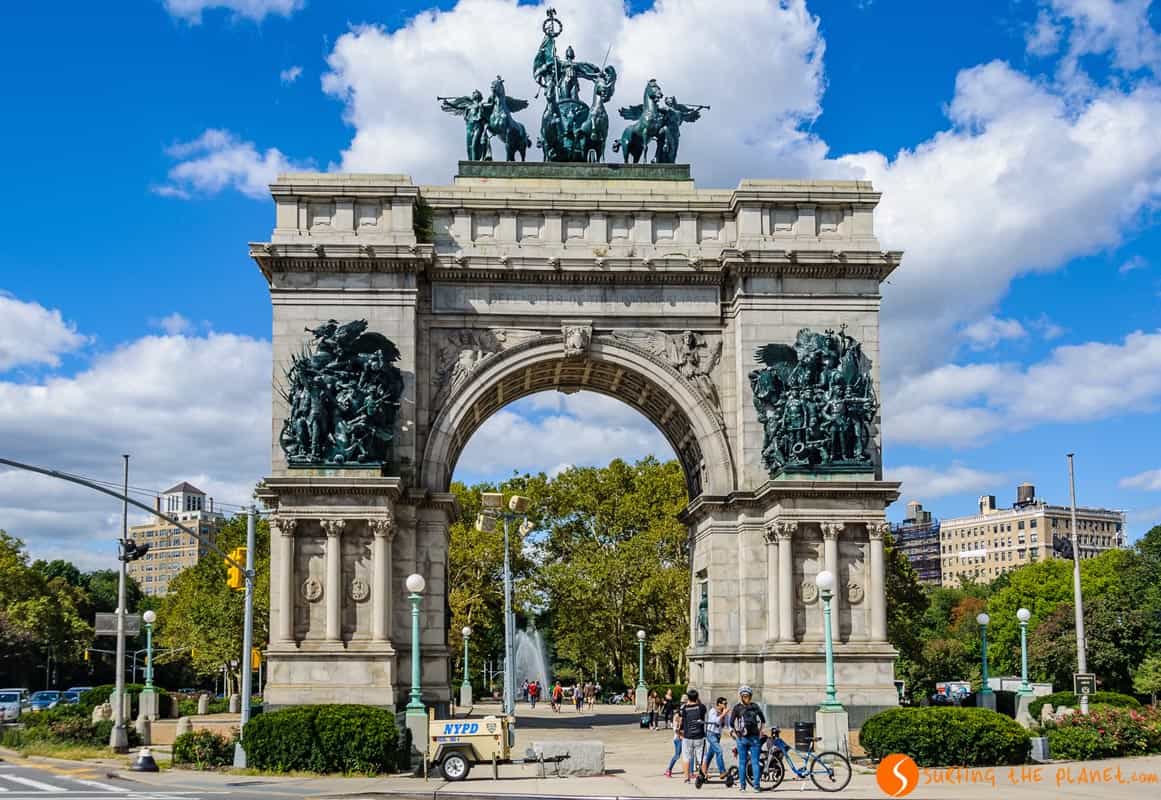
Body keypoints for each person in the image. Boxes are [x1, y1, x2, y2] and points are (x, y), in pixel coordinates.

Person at [730, 686, 766, 792]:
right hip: (754, 738)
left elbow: (731, 723)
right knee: (755, 762)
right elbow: (763, 720)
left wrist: (736, 734)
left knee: (742, 763)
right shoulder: (755, 706)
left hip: (742, 738)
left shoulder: (737, 708)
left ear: (741, 696)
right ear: (750, 696)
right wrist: (760, 732)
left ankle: (742, 787)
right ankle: (756, 786)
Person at [677, 689, 708, 784]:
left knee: (686, 757)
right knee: (702, 758)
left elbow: (682, 721)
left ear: (688, 697)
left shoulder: (684, 708)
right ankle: (703, 776)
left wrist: (680, 732)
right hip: (699, 736)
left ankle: (687, 778)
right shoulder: (701, 707)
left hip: (687, 736)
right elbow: (702, 708)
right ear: (697, 697)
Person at [702, 696, 728, 778]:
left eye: (726, 703)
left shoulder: (723, 712)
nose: (726, 705)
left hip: (717, 735)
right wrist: (723, 714)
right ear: (719, 704)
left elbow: (726, 724)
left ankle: (703, 771)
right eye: (724, 703)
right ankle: (722, 771)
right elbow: (714, 720)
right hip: (711, 734)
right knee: (719, 751)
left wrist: (732, 732)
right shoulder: (712, 711)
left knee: (710, 754)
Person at [664, 693, 688, 777]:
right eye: (683, 703)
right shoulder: (677, 716)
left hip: (684, 737)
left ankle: (690, 772)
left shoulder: (685, 714)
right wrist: (680, 733)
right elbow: (676, 729)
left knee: (688, 755)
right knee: (677, 755)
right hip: (678, 738)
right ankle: (669, 769)